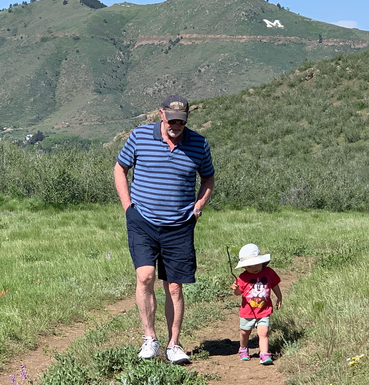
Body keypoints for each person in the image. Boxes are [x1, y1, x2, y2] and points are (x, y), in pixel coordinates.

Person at [114, 95, 215, 365]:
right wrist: (128, 206)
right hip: (142, 220)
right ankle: (150, 339)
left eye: (180, 121)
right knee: (145, 277)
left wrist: (199, 205)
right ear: (161, 114)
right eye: (171, 120)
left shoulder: (199, 144)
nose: (175, 125)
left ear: (187, 119)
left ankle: (173, 344)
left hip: (180, 225)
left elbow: (208, 177)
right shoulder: (140, 136)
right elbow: (120, 168)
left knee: (174, 287)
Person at [231, 243, 282, 365]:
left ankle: (264, 354)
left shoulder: (269, 273)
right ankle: (243, 348)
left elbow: (274, 284)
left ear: (262, 262)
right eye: (249, 266)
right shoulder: (243, 277)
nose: (254, 268)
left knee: (263, 332)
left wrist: (279, 297)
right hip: (247, 312)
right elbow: (239, 293)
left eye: (256, 264)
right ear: (244, 267)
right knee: (245, 332)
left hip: (264, 310)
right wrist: (235, 289)